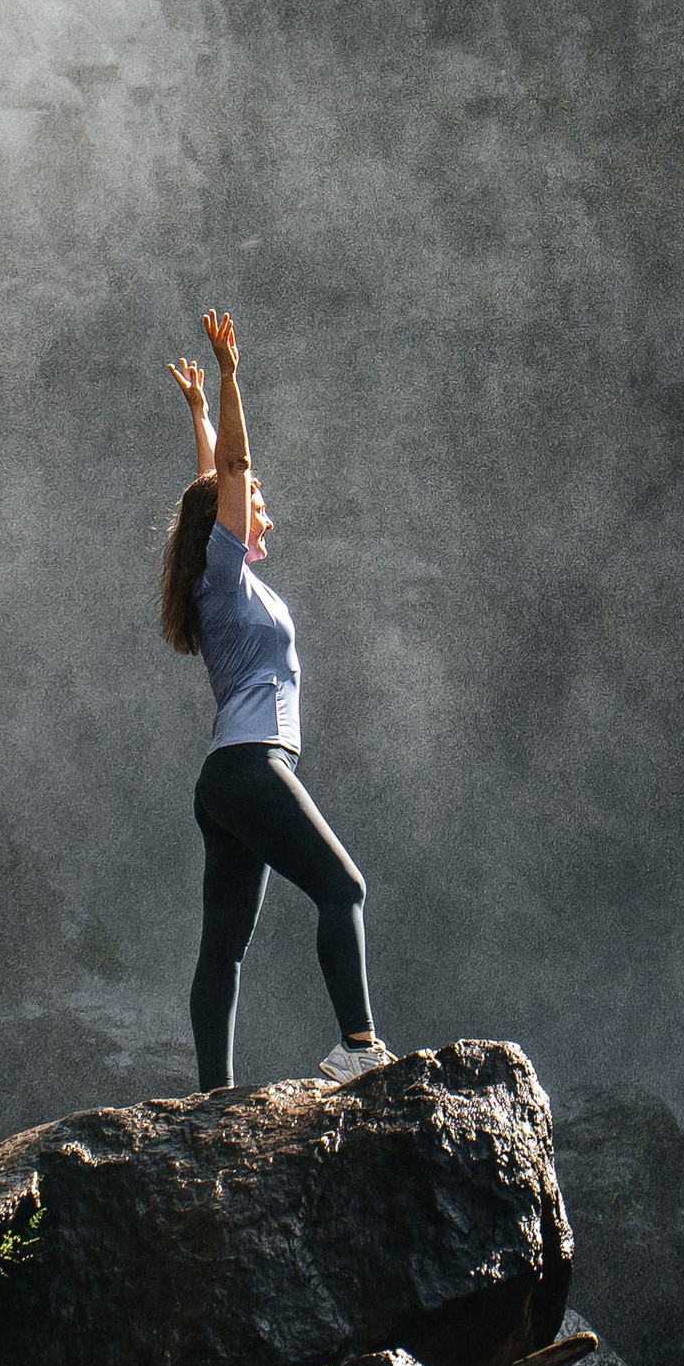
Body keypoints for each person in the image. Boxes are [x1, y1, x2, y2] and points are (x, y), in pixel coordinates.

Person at [160, 306, 389, 1091]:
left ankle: (212, 1097)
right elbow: (228, 476)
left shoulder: (224, 579)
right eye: (257, 498)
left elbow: (208, 485)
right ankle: (357, 1045)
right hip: (254, 768)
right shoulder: (221, 582)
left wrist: (196, 416)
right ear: (229, 514)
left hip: (224, 781)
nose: (264, 506)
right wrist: (228, 379)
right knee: (344, 888)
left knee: (222, 949)